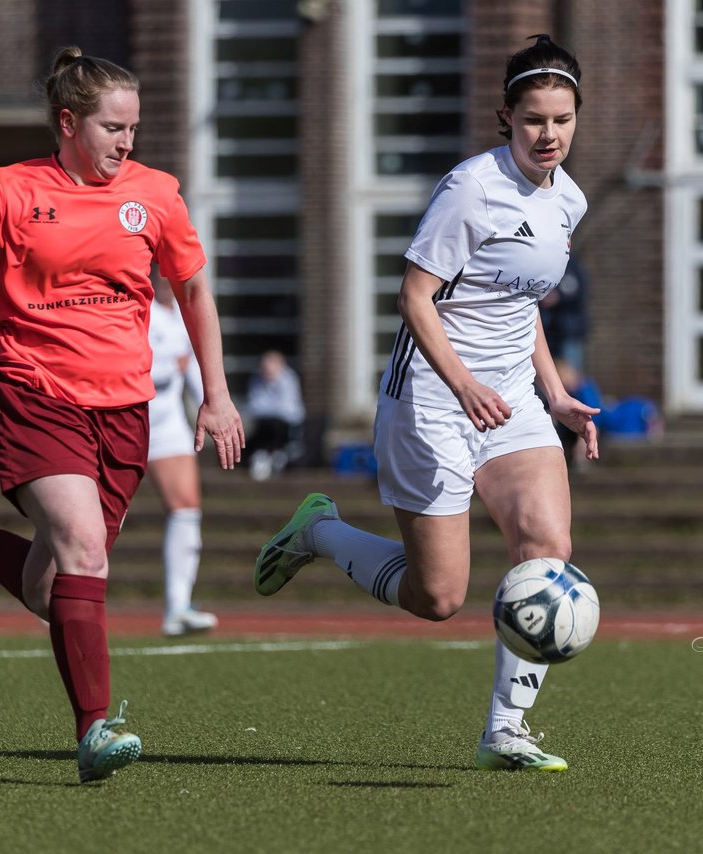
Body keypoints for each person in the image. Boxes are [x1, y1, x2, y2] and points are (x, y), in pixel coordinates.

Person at [254, 34, 598, 772]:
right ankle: (319, 532)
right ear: (506, 116)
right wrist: (462, 383)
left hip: (510, 400)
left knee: (546, 545)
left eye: (563, 119)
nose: (550, 134)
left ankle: (506, 729)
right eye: (534, 119)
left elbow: (521, 303)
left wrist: (557, 394)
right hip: (432, 400)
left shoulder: (569, 200)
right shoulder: (471, 188)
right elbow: (415, 297)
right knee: (438, 597)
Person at [0, 47, 244, 783]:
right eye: (113, 128)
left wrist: (216, 395)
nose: (128, 143)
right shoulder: (10, 188)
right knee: (86, 555)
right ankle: (95, 730)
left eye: (135, 128)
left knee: (46, 589)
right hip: (35, 396)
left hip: (124, 409)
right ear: (68, 122)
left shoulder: (155, 194)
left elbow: (194, 296)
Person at [146, 267, 217, 637]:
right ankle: (59, 596)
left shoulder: (186, 315)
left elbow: (195, 373)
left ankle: (178, 607)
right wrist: (168, 365)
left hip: (167, 423)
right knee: (102, 517)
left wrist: (216, 407)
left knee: (186, 507)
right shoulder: (138, 309)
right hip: (124, 420)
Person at [244, 349, 305, 481]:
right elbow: (253, 406)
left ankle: (277, 454)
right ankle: (262, 456)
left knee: (274, 424)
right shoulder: (257, 378)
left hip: (287, 423)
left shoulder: (288, 379)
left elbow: (288, 409)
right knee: (263, 425)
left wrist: (268, 409)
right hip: (264, 424)